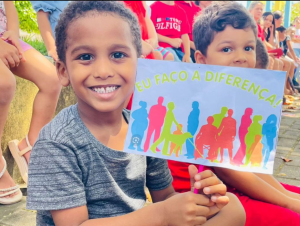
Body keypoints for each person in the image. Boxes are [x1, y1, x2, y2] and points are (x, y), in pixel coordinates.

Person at [26, 2, 245, 226]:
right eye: (85, 57)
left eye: (118, 54)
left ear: (140, 65)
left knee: (231, 208)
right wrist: (162, 215)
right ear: (63, 71)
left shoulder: (145, 127)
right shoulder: (56, 142)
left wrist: (193, 202)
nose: (103, 71)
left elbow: (166, 197)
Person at [170, 2, 300, 226]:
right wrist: (288, 203)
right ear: (201, 60)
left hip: (230, 188)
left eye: (248, 48)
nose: (241, 57)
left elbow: (248, 163)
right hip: (202, 202)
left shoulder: (236, 96)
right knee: (292, 218)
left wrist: (290, 196)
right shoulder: (204, 101)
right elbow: (230, 171)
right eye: (227, 49)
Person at [0, 1, 61, 204]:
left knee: (53, 79)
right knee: (4, 84)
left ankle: (31, 143)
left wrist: (13, 35)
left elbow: (10, 8)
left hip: (4, 37)